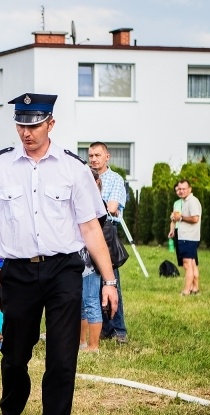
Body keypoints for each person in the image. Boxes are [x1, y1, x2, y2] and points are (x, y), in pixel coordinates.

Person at [0, 93, 118, 415]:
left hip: (64, 271)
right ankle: (9, 413)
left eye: (34, 124)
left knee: (63, 361)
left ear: (51, 124)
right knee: (15, 354)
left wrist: (109, 279)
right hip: (19, 273)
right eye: (21, 125)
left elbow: (91, 227)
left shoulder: (73, 169)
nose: (26, 132)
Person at [88, 142, 129, 344]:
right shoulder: (85, 177)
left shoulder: (115, 179)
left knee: (111, 282)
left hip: (106, 233)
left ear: (107, 157)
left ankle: (119, 330)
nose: (93, 159)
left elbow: (112, 208)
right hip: (86, 233)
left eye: (97, 155)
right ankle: (103, 328)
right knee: (91, 285)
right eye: (90, 155)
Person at [79, 169, 104, 354]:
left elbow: (96, 234)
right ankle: (82, 342)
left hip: (90, 260)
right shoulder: (79, 200)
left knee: (91, 301)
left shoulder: (96, 204)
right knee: (80, 303)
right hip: (76, 260)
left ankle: (94, 346)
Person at [170, 179, 201, 295]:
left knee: (187, 264)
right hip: (187, 237)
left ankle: (186, 291)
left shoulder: (192, 201)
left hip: (189, 237)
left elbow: (195, 218)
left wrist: (181, 218)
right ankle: (195, 289)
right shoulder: (185, 201)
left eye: (184, 189)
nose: (181, 191)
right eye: (180, 189)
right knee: (192, 264)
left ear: (190, 189)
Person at [168, 183, 184, 265]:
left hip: (186, 230)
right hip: (178, 229)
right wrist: (172, 230)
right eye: (176, 190)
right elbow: (173, 219)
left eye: (180, 189)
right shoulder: (176, 203)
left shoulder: (189, 202)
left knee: (187, 253)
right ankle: (182, 268)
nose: (179, 192)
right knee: (179, 251)